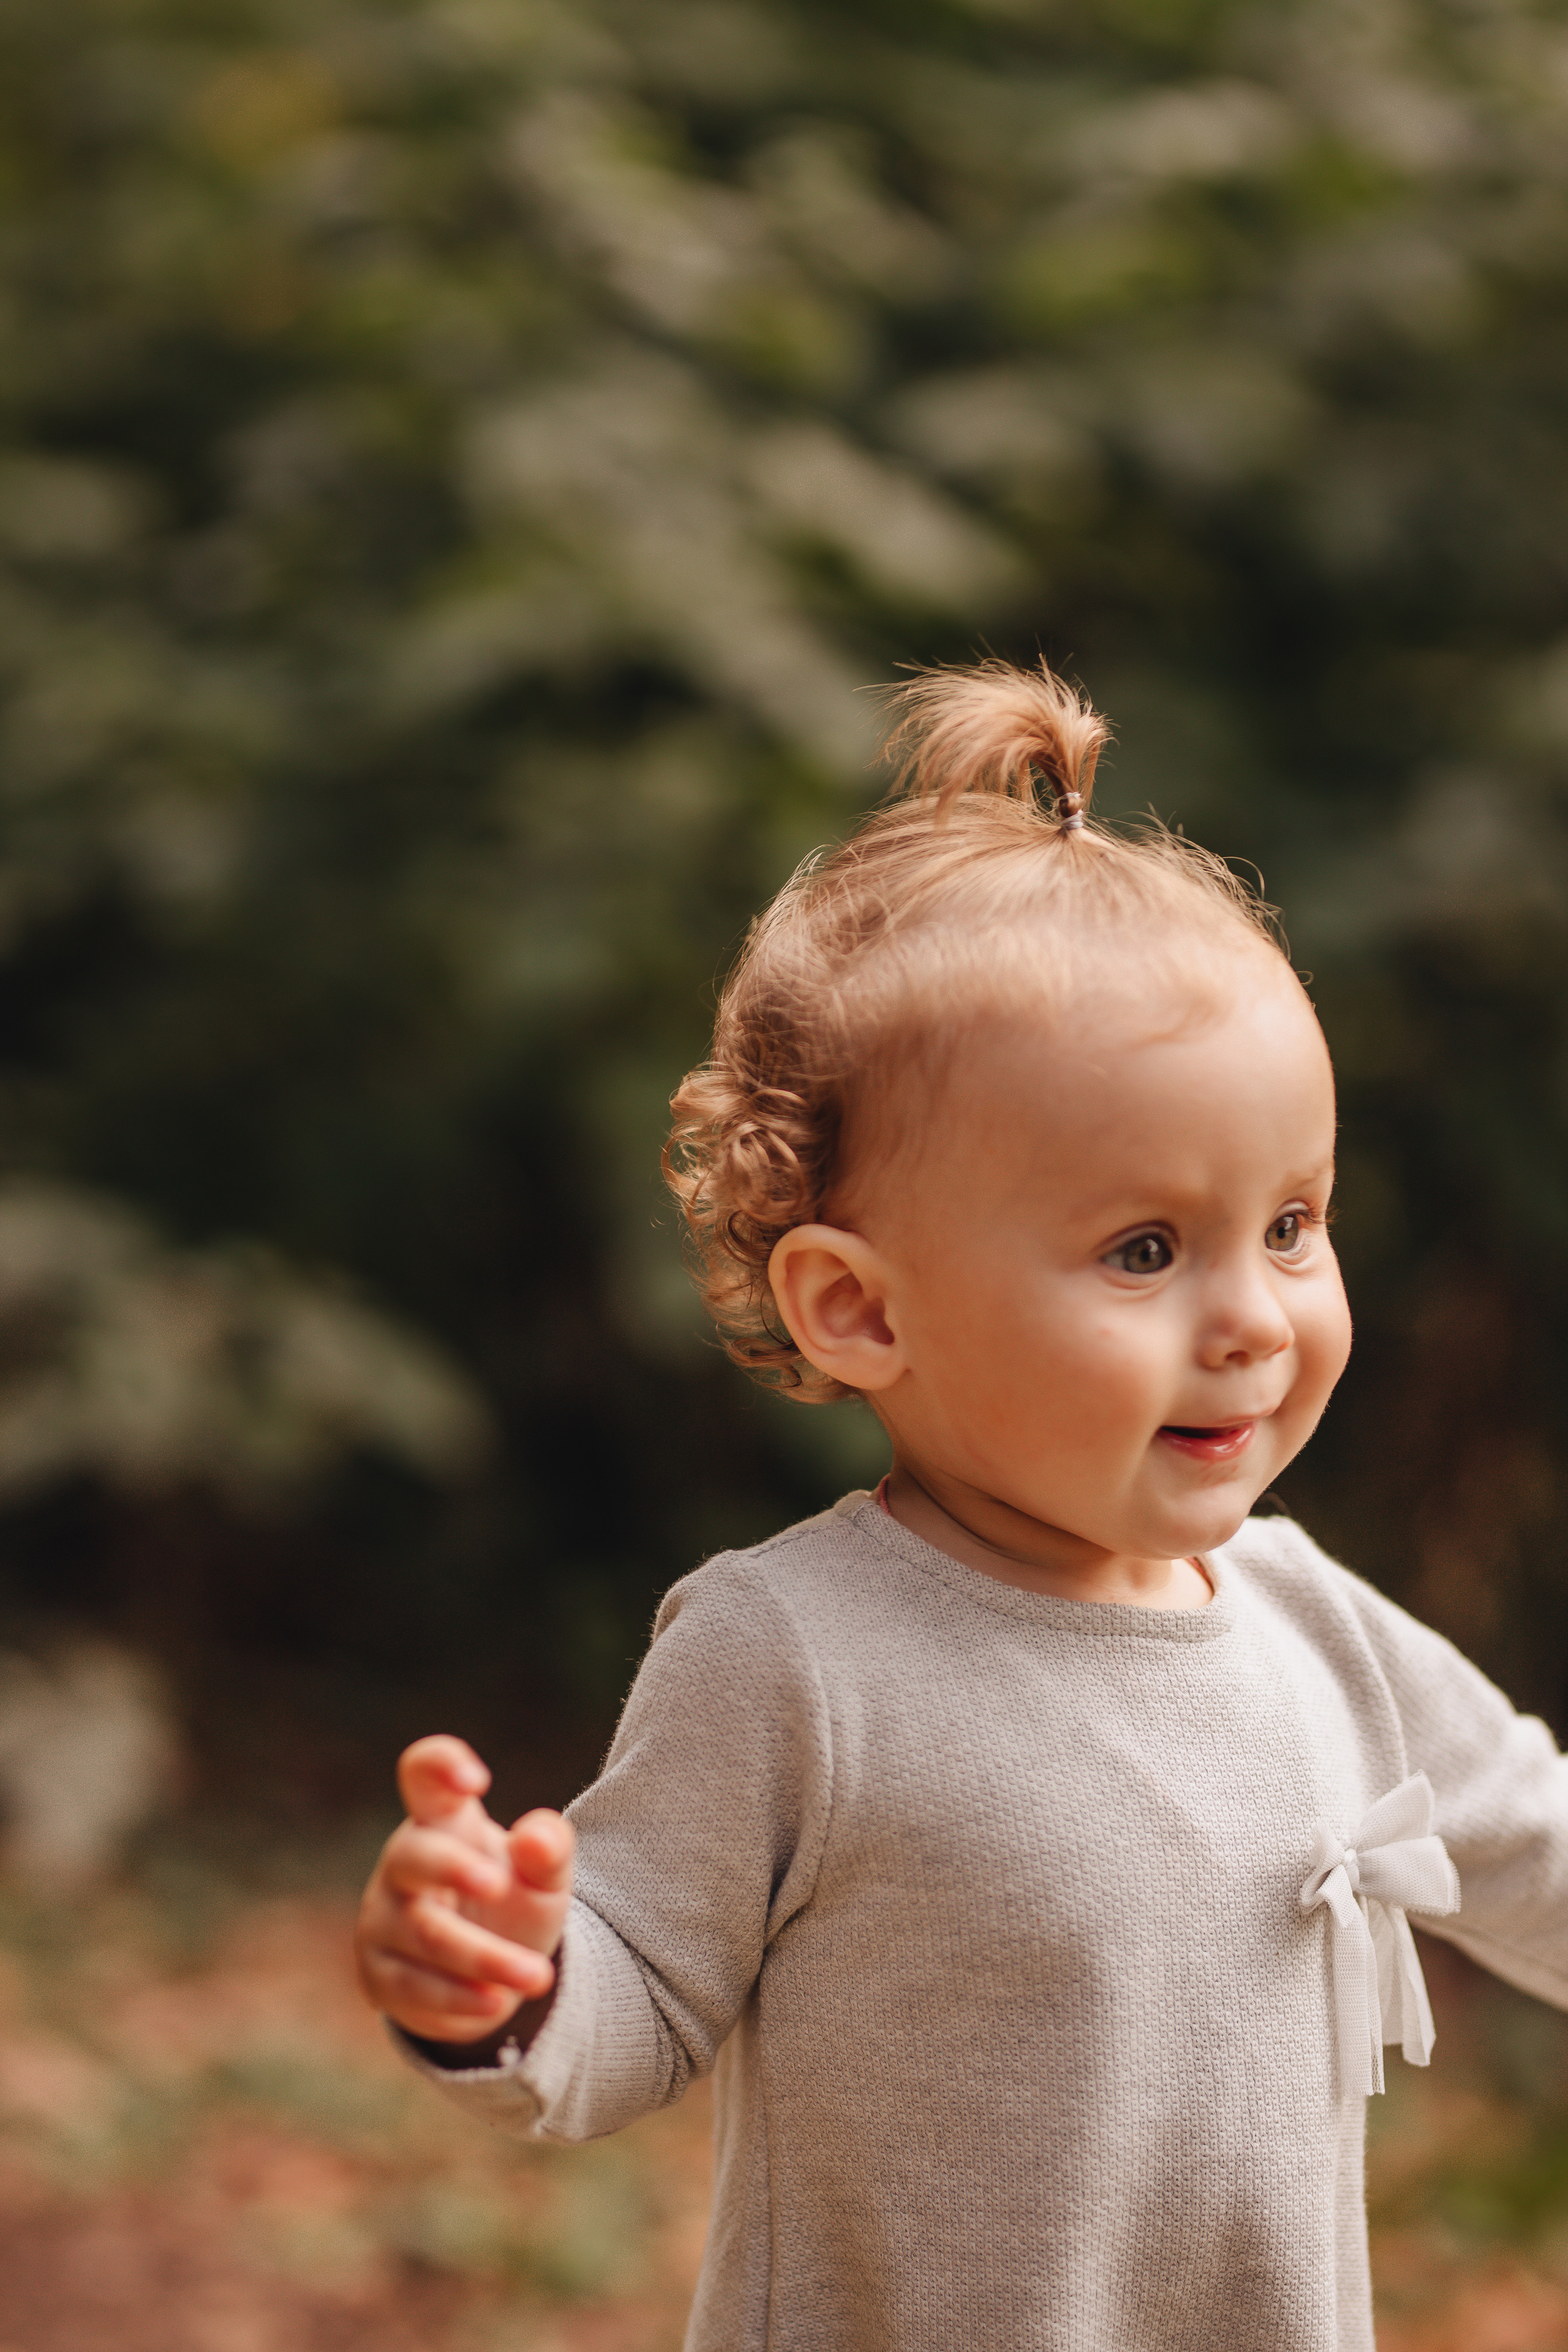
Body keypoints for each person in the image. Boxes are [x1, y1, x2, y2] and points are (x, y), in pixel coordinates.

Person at [355, 658, 1568, 2351]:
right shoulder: (797, 1655)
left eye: (1294, 1222)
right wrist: (507, 1981)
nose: (1256, 1316)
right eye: (1147, 1250)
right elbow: (632, 1990)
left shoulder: (1316, 1629)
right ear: (859, 1308)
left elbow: (1542, 1845)